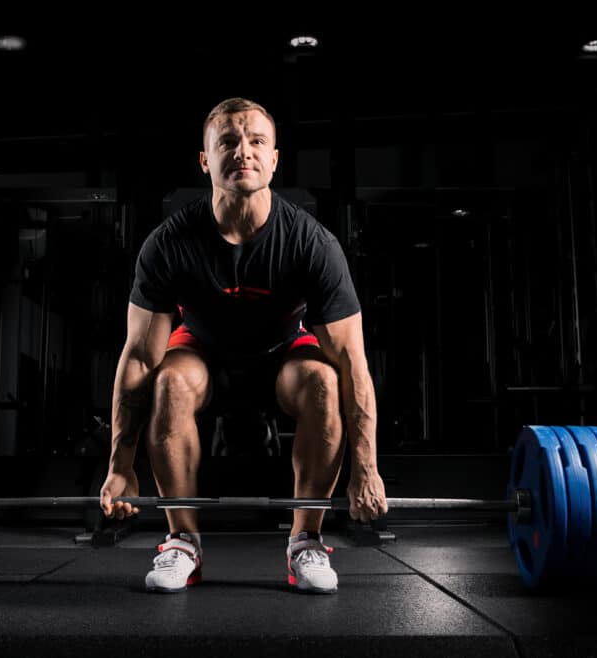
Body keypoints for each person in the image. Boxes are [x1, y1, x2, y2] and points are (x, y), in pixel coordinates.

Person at [99, 97, 388, 594]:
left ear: (275, 159)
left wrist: (366, 468)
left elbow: (352, 363)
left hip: (283, 354)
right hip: (202, 352)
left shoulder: (311, 244)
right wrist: (119, 467)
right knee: (167, 381)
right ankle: (182, 542)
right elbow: (141, 356)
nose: (243, 152)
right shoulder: (169, 243)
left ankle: (306, 542)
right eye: (228, 142)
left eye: (257, 141)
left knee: (324, 378)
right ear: (205, 159)